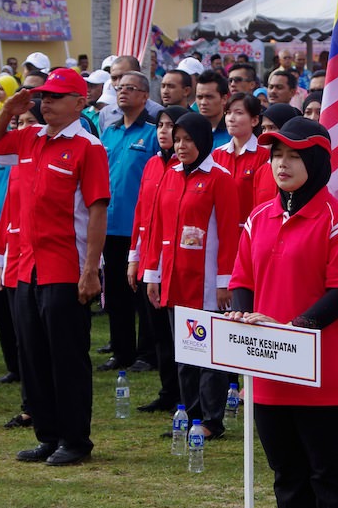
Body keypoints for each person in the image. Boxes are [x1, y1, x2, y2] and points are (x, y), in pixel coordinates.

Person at [228, 116, 338, 508]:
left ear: (318, 162)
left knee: (329, 476)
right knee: (286, 473)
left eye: (293, 156)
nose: (281, 164)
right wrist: (245, 315)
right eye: (276, 155)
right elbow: (243, 279)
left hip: (323, 372)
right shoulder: (258, 217)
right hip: (268, 371)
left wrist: (291, 329)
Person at [0, 69, 110, 465]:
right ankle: (48, 435)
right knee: (33, 356)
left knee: (66, 357)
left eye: (56, 96)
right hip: (26, 265)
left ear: (80, 102)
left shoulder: (88, 147)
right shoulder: (31, 137)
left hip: (65, 266)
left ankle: (75, 440)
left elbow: (97, 211)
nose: (46, 102)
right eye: (44, 96)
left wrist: (91, 270)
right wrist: (8, 110)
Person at [144, 112, 238, 440]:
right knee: (184, 352)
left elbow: (229, 233)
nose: (181, 146)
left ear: (203, 141)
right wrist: (152, 274)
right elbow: (157, 227)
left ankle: (211, 420)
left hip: (207, 283)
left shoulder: (220, 178)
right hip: (175, 279)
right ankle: (190, 413)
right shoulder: (169, 175)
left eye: (188, 140)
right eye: (177, 139)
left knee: (208, 355)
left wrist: (225, 281)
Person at [0, 101, 46, 424]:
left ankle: (44, 405)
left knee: (41, 339)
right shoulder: (17, 165)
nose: (23, 128)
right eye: (19, 123)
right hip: (16, 261)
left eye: (29, 122)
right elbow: (7, 214)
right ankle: (30, 405)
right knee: (24, 338)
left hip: (45, 262)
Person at [99, 71, 159, 372]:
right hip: (109, 225)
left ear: (145, 96)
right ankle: (122, 351)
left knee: (142, 294)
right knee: (115, 293)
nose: (123, 92)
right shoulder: (108, 132)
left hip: (139, 227)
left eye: (131, 88)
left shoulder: (152, 133)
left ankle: (147, 354)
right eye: (120, 87)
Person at [130, 105, 188, 413]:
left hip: (177, 261)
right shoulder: (152, 163)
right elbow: (141, 212)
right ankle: (168, 391)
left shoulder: (186, 166)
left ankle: (185, 394)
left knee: (180, 333)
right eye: (160, 125)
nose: (164, 131)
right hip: (150, 260)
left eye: (170, 126)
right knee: (158, 332)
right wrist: (134, 258)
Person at [211, 93, 268, 228]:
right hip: (220, 228)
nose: (231, 118)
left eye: (239, 113)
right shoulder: (217, 154)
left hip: (250, 228)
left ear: (254, 120)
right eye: (228, 113)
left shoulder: (264, 156)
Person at [251, 104, 303, 207]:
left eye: (272, 127)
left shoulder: (302, 169)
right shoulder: (261, 172)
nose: (266, 133)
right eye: (263, 128)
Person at [194, 70, 231, 149]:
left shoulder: (233, 132)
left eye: (209, 97)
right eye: (199, 97)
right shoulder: (190, 130)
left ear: (224, 99)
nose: (203, 102)